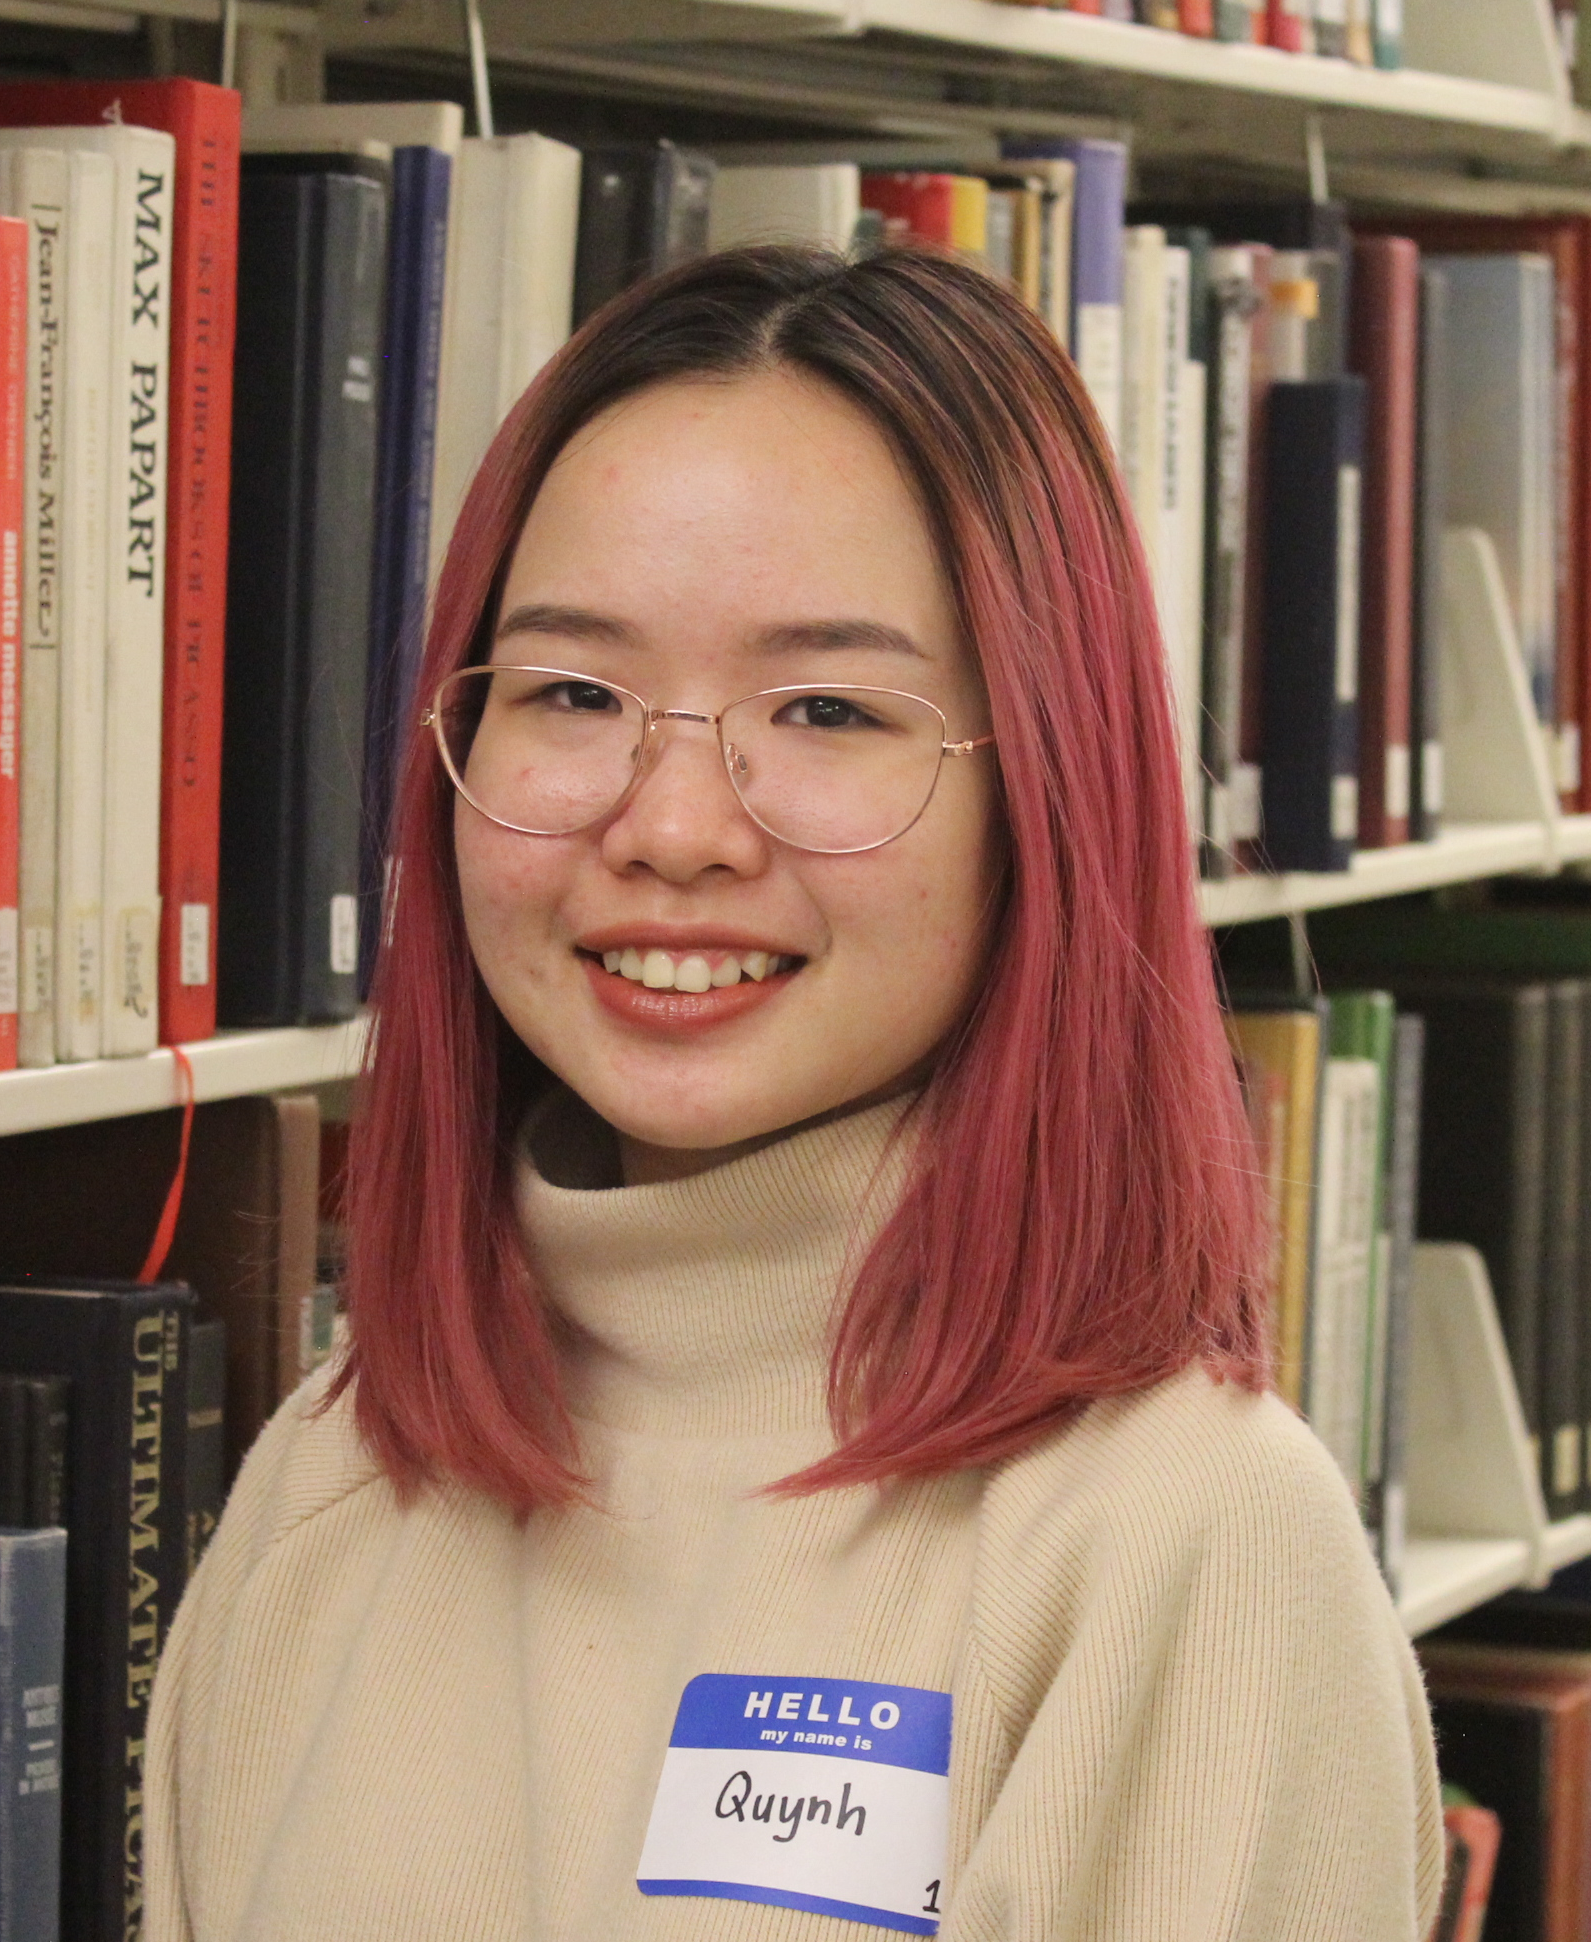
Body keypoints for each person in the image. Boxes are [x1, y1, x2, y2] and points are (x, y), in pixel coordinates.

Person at [147, 245, 1444, 1942]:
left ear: (1041, 792)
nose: (673, 826)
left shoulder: (1185, 1546)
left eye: (829, 706)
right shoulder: (327, 1479)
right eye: (573, 692)